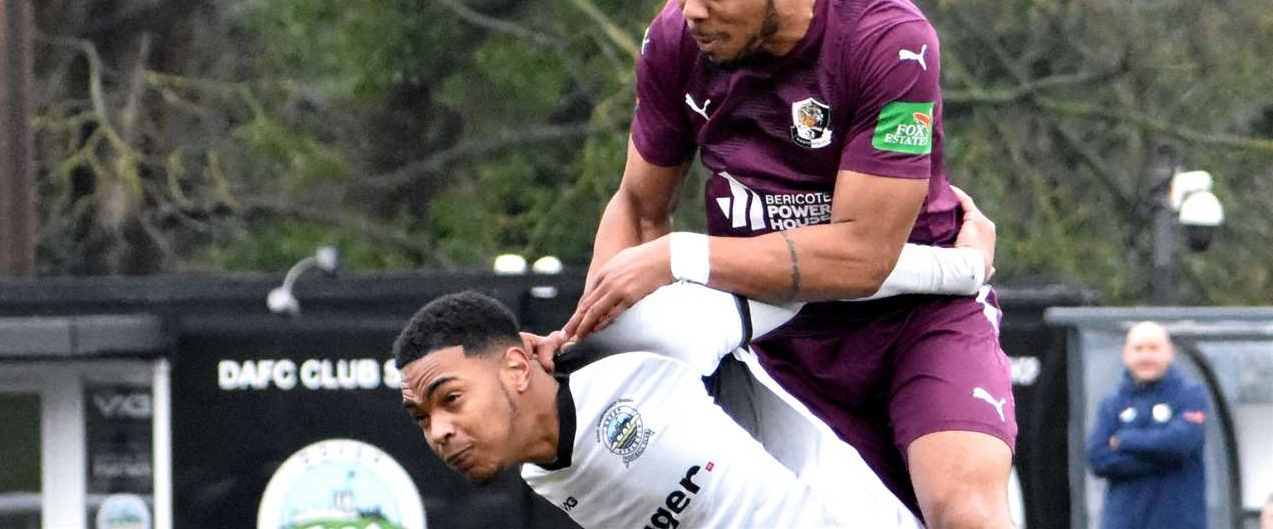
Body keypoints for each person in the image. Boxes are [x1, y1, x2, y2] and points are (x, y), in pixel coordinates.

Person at [539, 0, 1015, 528]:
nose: (692, 8)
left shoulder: (890, 41)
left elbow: (861, 254)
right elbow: (641, 209)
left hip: (918, 321)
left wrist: (681, 258)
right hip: (779, 342)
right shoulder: (674, 40)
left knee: (961, 511)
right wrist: (596, 336)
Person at [399, 225, 993, 529]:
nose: (440, 431)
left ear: (514, 366)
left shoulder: (630, 343)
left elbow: (815, 279)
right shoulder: (542, 475)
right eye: (423, 418)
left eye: (450, 398)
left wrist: (959, 267)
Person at [1086, 320, 1208, 529]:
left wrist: (1125, 440)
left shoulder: (1190, 394)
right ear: (1126, 354)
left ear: (1169, 352)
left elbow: (1181, 443)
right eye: (1139, 349)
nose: (1146, 356)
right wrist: (1164, 457)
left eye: (1153, 348)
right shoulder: (1113, 401)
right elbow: (1097, 457)